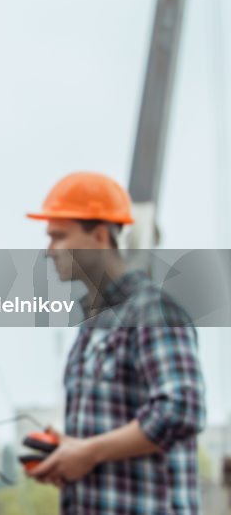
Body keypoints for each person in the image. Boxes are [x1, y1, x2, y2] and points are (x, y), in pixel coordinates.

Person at [26, 171, 205, 513]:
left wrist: (89, 451)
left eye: (59, 237)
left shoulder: (153, 310)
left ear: (99, 235)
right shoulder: (92, 325)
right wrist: (71, 449)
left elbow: (181, 409)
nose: (49, 251)